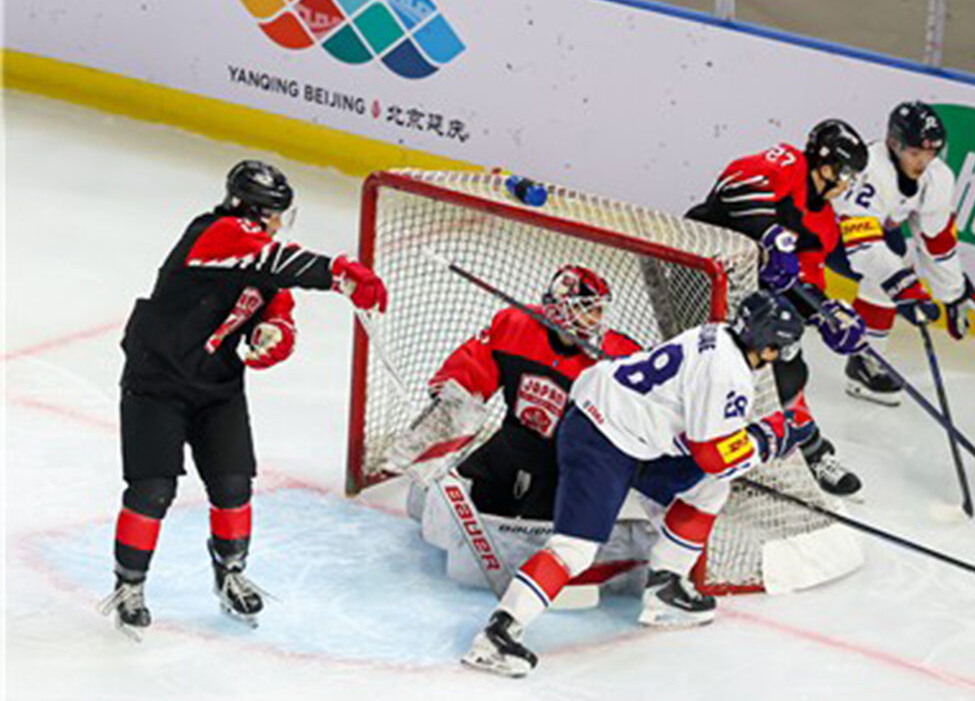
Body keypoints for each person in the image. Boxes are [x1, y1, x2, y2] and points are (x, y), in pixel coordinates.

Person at [461, 289, 866, 677]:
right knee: (575, 549)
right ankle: (497, 635)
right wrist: (772, 437)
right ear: (769, 347)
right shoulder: (730, 374)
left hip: (634, 431)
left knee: (708, 487)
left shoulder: (717, 332)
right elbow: (715, 455)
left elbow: (703, 448)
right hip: (601, 438)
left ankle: (665, 587)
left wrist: (761, 436)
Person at [98, 160, 388, 639]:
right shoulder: (217, 233)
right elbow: (277, 262)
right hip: (158, 382)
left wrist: (275, 333)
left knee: (233, 486)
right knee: (152, 491)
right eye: (275, 213)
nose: (279, 222)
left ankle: (229, 574)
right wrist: (338, 274)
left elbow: (279, 309)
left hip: (216, 385)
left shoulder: (259, 254)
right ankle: (129, 586)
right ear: (255, 212)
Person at [686, 119, 870, 496]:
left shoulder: (825, 224)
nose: (847, 184)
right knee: (702, 372)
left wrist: (826, 314)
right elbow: (733, 185)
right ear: (826, 164)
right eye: (846, 174)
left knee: (787, 367)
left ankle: (810, 450)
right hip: (699, 273)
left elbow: (806, 285)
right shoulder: (788, 163)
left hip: (744, 300)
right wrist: (771, 236)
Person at [388, 264, 640, 520]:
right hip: (512, 441)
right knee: (455, 502)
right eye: (586, 309)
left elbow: (644, 410)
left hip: (565, 463)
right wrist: (450, 400)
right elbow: (473, 367)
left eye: (599, 310)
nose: (595, 319)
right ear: (561, 307)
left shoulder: (619, 357)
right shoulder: (515, 325)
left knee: (545, 528)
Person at [834, 101, 975, 406]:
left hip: (874, 233)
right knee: (887, 269)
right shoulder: (871, 169)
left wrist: (953, 292)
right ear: (894, 144)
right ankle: (865, 360)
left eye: (930, 153)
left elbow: (937, 243)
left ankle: (865, 359)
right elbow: (863, 249)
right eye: (915, 153)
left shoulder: (937, 178)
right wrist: (903, 285)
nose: (922, 162)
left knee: (896, 261)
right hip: (828, 231)